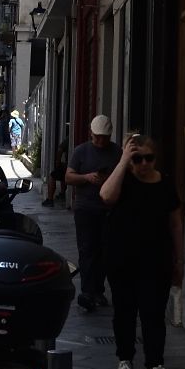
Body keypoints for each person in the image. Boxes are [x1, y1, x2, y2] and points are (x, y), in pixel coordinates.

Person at [98, 132, 184, 369]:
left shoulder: (166, 184)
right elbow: (106, 196)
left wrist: (179, 259)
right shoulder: (122, 180)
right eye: (138, 159)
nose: (144, 164)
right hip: (121, 258)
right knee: (124, 312)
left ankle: (155, 365)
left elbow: (175, 223)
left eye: (149, 158)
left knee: (153, 314)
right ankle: (125, 360)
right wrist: (123, 160)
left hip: (156, 260)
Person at [64, 115, 119, 309]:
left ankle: (98, 290)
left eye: (104, 137)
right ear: (91, 133)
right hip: (86, 208)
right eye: (97, 137)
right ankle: (87, 292)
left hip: (108, 209)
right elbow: (69, 177)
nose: (100, 141)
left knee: (105, 251)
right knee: (87, 250)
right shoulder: (81, 151)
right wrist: (87, 177)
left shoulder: (116, 152)